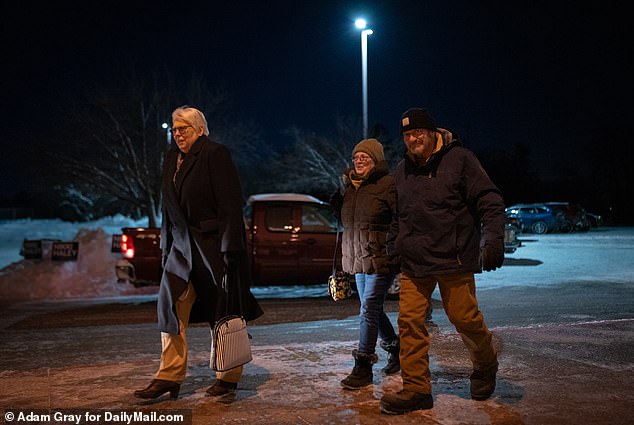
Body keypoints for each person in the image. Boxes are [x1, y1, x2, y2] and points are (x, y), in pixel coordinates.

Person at [380, 108, 505, 415]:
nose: (412, 139)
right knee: (409, 323)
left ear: (432, 132)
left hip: (454, 258)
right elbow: (397, 215)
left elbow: (490, 200)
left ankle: (486, 364)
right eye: (407, 136)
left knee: (464, 318)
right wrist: (393, 246)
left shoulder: (460, 160)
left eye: (417, 133)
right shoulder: (401, 170)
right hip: (415, 263)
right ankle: (417, 389)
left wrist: (492, 240)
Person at [134, 106, 263, 401]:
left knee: (222, 312)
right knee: (170, 310)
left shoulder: (215, 154)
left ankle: (228, 375)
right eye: (175, 129)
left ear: (200, 129)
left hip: (213, 248)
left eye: (184, 129)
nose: (178, 134)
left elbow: (230, 204)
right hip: (180, 250)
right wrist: (166, 248)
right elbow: (169, 209)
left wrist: (231, 248)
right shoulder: (171, 160)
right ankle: (169, 376)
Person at [331, 138, 401, 390]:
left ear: (376, 160)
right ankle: (396, 349)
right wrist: (337, 204)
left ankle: (363, 366)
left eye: (365, 157)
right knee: (370, 307)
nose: (359, 161)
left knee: (369, 308)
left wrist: (392, 248)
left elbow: (399, 220)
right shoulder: (350, 187)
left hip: (381, 256)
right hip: (358, 257)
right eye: (356, 157)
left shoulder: (388, 184)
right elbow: (348, 223)